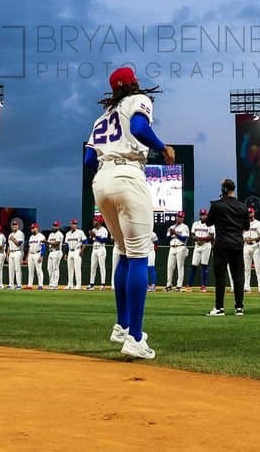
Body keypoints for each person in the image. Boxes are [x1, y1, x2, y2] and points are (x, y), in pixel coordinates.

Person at [83, 66, 173, 360]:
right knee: (139, 255)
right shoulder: (139, 99)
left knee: (122, 251)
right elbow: (138, 129)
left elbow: (87, 159)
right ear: (133, 83)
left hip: (101, 180)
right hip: (128, 175)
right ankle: (134, 337)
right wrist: (162, 147)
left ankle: (122, 325)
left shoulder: (101, 117)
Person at [205, 179, 248, 316]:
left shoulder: (217, 205)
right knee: (238, 276)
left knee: (220, 276)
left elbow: (208, 223)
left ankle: (219, 308)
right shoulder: (242, 206)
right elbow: (246, 226)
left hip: (222, 243)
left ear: (223, 189)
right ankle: (239, 307)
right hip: (237, 244)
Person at [190, 209, 214, 292]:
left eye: (204, 214)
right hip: (197, 245)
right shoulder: (195, 224)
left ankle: (203, 286)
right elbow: (192, 234)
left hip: (206, 245)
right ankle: (189, 285)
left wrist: (203, 239)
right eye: (201, 214)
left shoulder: (210, 225)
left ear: (207, 215)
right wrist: (197, 239)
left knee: (204, 266)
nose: (203, 216)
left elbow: (212, 236)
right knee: (194, 265)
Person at [242, 207, 260, 293]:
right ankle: (247, 286)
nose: (249, 214)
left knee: (258, 268)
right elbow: (241, 234)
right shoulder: (244, 224)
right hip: (246, 246)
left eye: (250, 213)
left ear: (253, 213)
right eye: (248, 213)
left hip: (255, 246)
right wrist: (245, 239)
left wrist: (252, 239)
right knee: (246, 268)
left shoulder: (258, 224)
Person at [165, 212, 190, 291]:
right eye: (178, 216)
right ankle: (169, 285)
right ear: (176, 217)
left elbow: (184, 238)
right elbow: (167, 238)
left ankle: (179, 285)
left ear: (183, 218)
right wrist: (170, 234)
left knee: (180, 266)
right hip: (172, 247)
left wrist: (175, 233)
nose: (179, 218)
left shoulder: (185, 227)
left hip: (181, 247)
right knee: (170, 267)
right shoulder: (171, 227)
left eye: (181, 217)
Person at [87, 216, 109, 290]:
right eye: (94, 220)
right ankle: (91, 284)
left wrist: (95, 236)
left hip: (101, 249)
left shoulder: (104, 230)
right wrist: (90, 236)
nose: (94, 222)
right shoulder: (94, 230)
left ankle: (103, 284)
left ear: (99, 222)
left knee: (102, 267)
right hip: (94, 249)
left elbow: (104, 240)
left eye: (95, 221)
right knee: (93, 267)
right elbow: (90, 240)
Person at [65, 219, 87, 290]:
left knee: (77, 269)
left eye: (75, 224)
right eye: (73, 224)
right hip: (70, 251)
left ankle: (78, 285)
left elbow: (85, 241)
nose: (74, 225)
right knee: (70, 269)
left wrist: (82, 250)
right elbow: (66, 245)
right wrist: (65, 254)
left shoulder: (80, 232)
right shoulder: (68, 233)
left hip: (77, 250)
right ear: (70, 225)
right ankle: (70, 284)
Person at [25, 223, 45, 289]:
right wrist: (27, 256)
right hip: (31, 254)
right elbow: (29, 247)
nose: (31, 229)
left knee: (39, 270)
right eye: (31, 228)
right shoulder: (31, 237)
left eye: (33, 228)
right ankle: (30, 285)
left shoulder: (41, 236)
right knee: (30, 270)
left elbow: (43, 247)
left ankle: (40, 285)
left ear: (37, 228)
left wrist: (41, 256)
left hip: (37, 254)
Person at [46, 221, 65, 289]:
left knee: (55, 268)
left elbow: (57, 243)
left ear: (58, 227)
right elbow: (49, 243)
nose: (54, 227)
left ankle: (55, 284)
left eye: (56, 225)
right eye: (54, 225)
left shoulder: (60, 234)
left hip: (57, 251)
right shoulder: (51, 234)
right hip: (51, 252)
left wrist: (47, 242)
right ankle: (51, 283)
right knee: (49, 268)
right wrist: (48, 242)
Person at [7, 219, 25, 289]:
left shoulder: (20, 233)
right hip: (11, 252)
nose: (14, 226)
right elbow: (9, 245)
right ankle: (11, 284)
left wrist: (13, 239)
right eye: (13, 225)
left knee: (17, 269)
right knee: (10, 269)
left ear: (18, 226)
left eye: (15, 225)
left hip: (18, 251)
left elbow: (19, 244)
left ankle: (19, 284)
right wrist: (8, 254)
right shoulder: (10, 234)